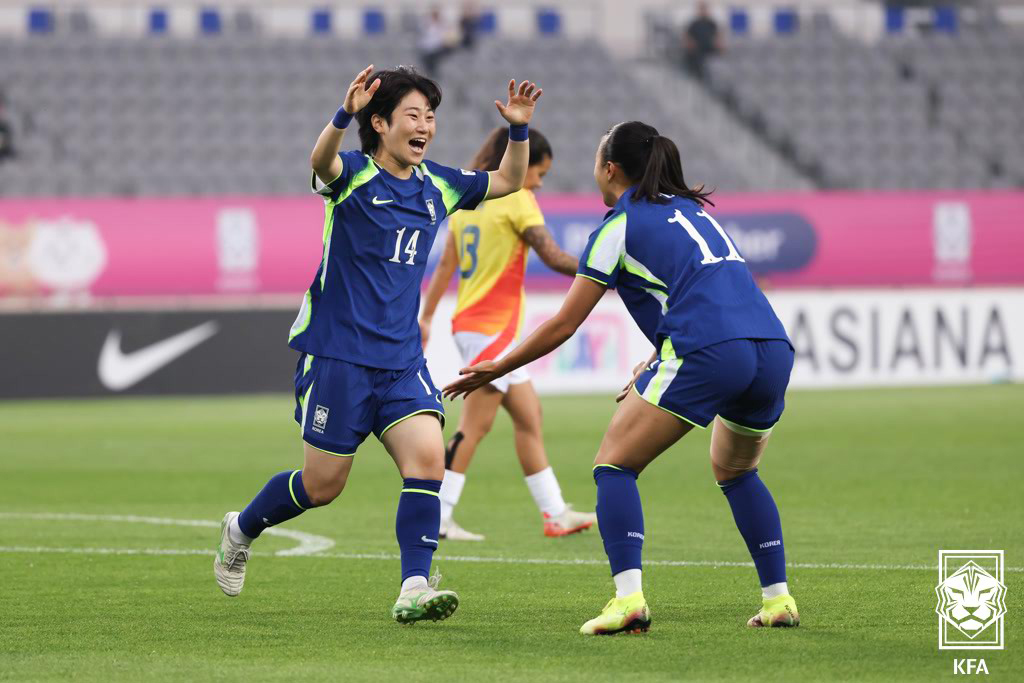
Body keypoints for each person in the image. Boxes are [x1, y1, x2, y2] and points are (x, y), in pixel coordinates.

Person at [213, 65, 542, 625]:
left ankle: (414, 583)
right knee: (322, 487)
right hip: (338, 356)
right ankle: (241, 527)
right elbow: (320, 163)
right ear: (381, 123)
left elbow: (509, 182)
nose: (425, 126)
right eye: (413, 116)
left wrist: (518, 130)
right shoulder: (353, 176)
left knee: (428, 462)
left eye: (431, 116)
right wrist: (342, 114)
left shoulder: (440, 184)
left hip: (400, 361)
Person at [444, 121, 798, 635]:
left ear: (609, 169)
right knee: (738, 471)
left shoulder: (618, 227)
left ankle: (628, 598)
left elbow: (565, 323)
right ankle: (778, 599)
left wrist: (498, 366)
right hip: (771, 348)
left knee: (613, 464)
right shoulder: (692, 212)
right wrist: (659, 355)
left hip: (709, 351)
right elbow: (702, 291)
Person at [419, 126, 596, 541]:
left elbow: (445, 265)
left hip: (468, 323)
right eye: (540, 172)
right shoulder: (518, 197)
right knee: (474, 426)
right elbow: (551, 255)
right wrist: (605, 270)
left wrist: (426, 317)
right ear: (522, 162)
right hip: (494, 330)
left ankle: (554, 512)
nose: (537, 181)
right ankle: (437, 516)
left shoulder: (468, 201)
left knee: (528, 416)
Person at [683, 2, 722, 81]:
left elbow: (718, 36)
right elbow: (688, 36)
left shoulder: (712, 23)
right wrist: (690, 44)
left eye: (704, 9)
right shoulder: (694, 24)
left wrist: (719, 44)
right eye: (701, 9)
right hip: (697, 50)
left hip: (710, 49)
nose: (703, 11)